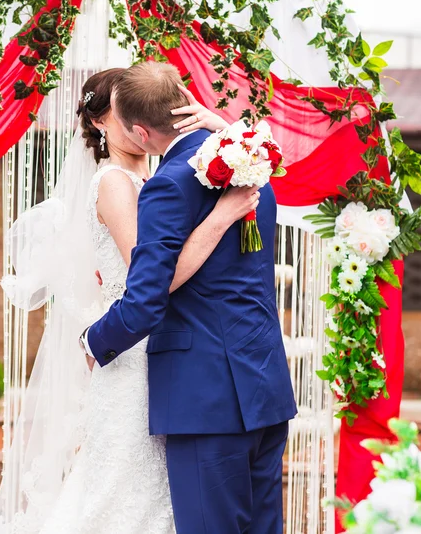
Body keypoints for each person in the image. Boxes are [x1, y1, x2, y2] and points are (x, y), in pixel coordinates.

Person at [0, 66, 261, 534]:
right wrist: (219, 217)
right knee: (123, 492)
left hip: (166, 350)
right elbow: (151, 279)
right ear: (101, 123)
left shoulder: (168, 177)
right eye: (122, 114)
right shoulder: (114, 183)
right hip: (133, 353)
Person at [82, 62, 297, 534]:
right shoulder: (254, 167)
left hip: (205, 398)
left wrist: (94, 341)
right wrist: (224, 129)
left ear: (141, 130)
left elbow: (144, 301)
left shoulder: (167, 186)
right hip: (264, 385)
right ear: (187, 105)